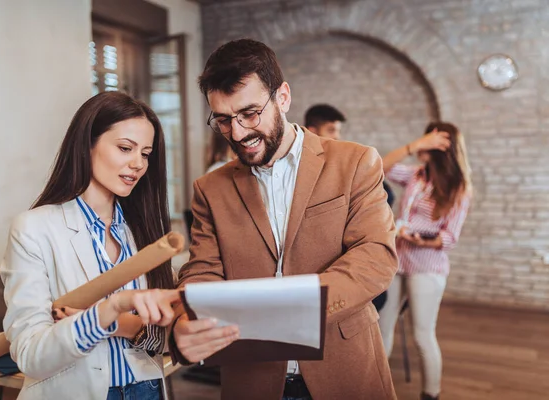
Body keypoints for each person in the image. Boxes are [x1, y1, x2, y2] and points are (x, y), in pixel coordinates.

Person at [169, 39, 398, 400]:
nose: (239, 133)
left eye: (249, 113)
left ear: (284, 98)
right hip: (252, 380)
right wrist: (185, 320)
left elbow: (375, 256)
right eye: (224, 120)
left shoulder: (355, 162)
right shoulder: (209, 189)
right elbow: (203, 272)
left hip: (345, 370)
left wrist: (297, 310)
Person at [1, 92, 180, 400]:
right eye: (125, 148)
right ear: (87, 144)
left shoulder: (144, 232)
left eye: (146, 154)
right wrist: (108, 310)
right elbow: (29, 353)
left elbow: (164, 337)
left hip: (145, 389)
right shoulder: (33, 228)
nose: (138, 164)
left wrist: (118, 324)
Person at [378, 122, 472, 400]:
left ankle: (431, 395)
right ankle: (376, 388)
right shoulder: (416, 176)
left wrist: (423, 240)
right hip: (398, 260)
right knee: (382, 327)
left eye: (431, 140)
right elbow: (380, 167)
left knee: (422, 336)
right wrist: (413, 146)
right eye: (425, 138)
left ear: (443, 149)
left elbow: (450, 238)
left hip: (427, 267)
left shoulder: (459, 188)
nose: (424, 143)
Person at [305, 103, 394, 311]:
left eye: (338, 131)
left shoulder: (349, 164)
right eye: (331, 130)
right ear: (312, 131)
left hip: (353, 279)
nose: (336, 137)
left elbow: (387, 196)